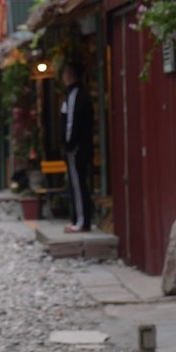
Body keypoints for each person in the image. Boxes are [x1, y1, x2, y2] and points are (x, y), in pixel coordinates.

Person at [60, 62, 95, 233]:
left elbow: (71, 122)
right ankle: (78, 219)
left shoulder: (76, 95)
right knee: (78, 183)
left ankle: (81, 221)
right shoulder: (80, 94)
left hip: (77, 148)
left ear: (70, 74)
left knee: (78, 183)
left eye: (65, 73)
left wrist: (69, 144)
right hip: (81, 145)